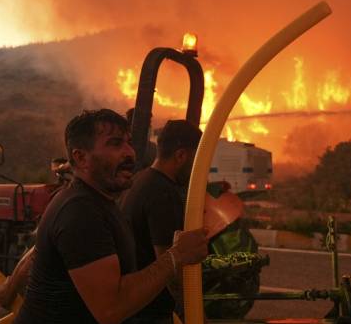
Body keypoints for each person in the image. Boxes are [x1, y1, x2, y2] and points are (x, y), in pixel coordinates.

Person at [13, 109, 208, 324]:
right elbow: (110, 309)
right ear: (81, 157)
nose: (130, 152)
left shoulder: (98, 201)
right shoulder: (80, 211)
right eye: (115, 144)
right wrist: (176, 255)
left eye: (128, 142)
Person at [118, 120, 202, 324]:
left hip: (133, 307)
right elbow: (171, 264)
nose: (198, 170)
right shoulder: (163, 193)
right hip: (150, 313)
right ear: (181, 155)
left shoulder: (140, 180)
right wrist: (193, 314)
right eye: (197, 160)